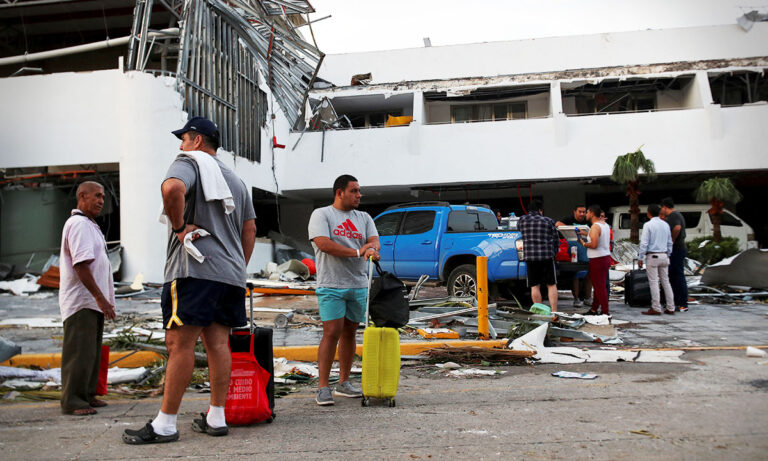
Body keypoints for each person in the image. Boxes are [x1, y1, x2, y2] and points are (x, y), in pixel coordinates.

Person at [124, 116, 257, 444]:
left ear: (197, 141)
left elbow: (171, 189)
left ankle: (165, 424)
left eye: (183, 138)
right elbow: (250, 228)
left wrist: (180, 226)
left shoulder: (189, 162)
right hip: (229, 276)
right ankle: (216, 417)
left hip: (194, 270)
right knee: (218, 344)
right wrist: (236, 265)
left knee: (179, 344)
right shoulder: (235, 181)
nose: (180, 145)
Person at [308, 174, 380, 406]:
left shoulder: (364, 217)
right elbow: (323, 243)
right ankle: (323, 387)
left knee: (350, 332)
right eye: (354, 191)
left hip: (358, 284)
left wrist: (372, 249)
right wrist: (358, 252)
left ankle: (344, 382)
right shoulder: (322, 214)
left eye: (360, 191)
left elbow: (374, 241)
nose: (359, 195)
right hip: (331, 285)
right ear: (340, 193)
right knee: (332, 332)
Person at [59, 181, 116, 416]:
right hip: (82, 300)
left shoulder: (90, 224)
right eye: (96, 196)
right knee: (79, 351)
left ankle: (87, 394)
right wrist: (100, 299)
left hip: (92, 301)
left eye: (103, 196)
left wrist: (103, 300)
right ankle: (73, 400)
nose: (101, 201)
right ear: (82, 196)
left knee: (90, 352)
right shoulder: (79, 224)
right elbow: (81, 265)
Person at [518, 199, 559, 312]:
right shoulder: (548, 221)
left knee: (535, 286)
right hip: (546, 256)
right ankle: (554, 312)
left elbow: (520, 232)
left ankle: (539, 312)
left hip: (530, 257)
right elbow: (556, 239)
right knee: (551, 284)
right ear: (540, 210)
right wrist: (554, 252)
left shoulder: (522, 220)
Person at [638, 204, 675, 315]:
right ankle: (670, 307)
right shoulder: (665, 225)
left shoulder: (648, 225)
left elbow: (644, 243)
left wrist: (640, 257)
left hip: (653, 256)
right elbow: (670, 242)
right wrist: (668, 253)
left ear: (648, 213)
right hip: (664, 255)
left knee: (653, 282)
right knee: (666, 282)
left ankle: (656, 307)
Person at [579, 205, 611, 315]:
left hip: (598, 259)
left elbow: (594, 244)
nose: (586, 214)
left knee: (599, 287)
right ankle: (594, 309)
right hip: (605, 257)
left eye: (587, 212)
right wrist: (584, 233)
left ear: (592, 213)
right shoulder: (604, 225)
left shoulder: (595, 227)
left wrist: (583, 243)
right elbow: (597, 236)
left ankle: (605, 312)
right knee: (599, 286)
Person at [555, 205, 591, 306]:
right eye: (580, 212)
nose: (582, 214)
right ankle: (576, 299)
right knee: (574, 275)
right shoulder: (568, 219)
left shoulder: (588, 221)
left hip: (587, 252)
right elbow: (557, 224)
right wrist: (572, 229)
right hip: (573, 253)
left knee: (589, 275)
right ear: (575, 212)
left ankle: (588, 298)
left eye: (584, 212)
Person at [661, 197, 688, 312]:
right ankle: (676, 301)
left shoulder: (673, 216)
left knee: (677, 276)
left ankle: (682, 303)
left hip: (677, 249)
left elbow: (677, 227)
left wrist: (670, 241)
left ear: (665, 207)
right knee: (672, 276)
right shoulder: (676, 215)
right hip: (677, 249)